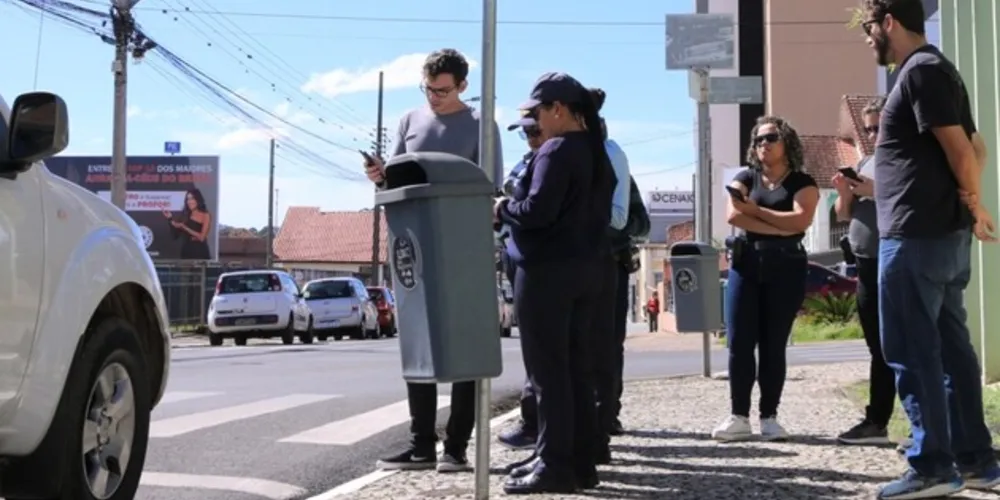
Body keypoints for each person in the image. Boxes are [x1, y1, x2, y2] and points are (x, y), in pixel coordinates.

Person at [859, 1, 999, 497]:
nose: (868, 36)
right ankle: (978, 460)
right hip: (939, 236)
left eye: (869, 26)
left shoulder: (919, 72)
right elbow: (975, 147)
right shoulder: (939, 71)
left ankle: (934, 467)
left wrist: (974, 202)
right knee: (954, 352)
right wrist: (972, 202)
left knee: (914, 353)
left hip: (915, 238)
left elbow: (962, 150)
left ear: (890, 23)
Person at [365, 48, 503, 474]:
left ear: (463, 86)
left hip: (463, 247)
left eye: (443, 90)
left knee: (466, 344)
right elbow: (399, 177)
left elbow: (490, 187)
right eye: (428, 88)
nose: (434, 98)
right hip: (415, 243)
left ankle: (457, 447)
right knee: (417, 342)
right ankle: (421, 445)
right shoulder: (409, 120)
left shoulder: (482, 125)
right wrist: (380, 175)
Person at [495, 72, 615, 494]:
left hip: (546, 273)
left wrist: (503, 207)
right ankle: (582, 463)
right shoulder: (598, 152)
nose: (537, 123)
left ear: (558, 109)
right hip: (588, 271)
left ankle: (553, 464)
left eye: (540, 112)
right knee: (578, 371)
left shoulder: (556, 150)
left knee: (548, 375)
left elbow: (536, 211)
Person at [711, 115, 819, 442]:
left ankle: (769, 417)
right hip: (747, 263)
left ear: (787, 142)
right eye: (758, 140)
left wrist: (755, 212)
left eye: (770, 138)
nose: (763, 145)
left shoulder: (802, 183)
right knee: (740, 342)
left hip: (785, 266)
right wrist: (780, 226)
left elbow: (802, 220)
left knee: (773, 344)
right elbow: (733, 213)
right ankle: (738, 416)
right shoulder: (746, 177)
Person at [832, 96, 895, 446]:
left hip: (894, 260)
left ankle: (892, 419)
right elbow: (843, 215)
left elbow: (912, 199)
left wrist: (877, 190)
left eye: (879, 126)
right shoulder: (867, 161)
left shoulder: (902, 161)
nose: (873, 134)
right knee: (877, 345)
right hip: (865, 263)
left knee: (897, 343)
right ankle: (877, 419)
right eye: (868, 128)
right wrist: (845, 191)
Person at [496, 116, 545, 451]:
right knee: (533, 348)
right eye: (525, 133)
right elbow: (503, 205)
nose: (530, 137)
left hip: (547, 262)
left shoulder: (558, 160)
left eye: (534, 130)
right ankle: (534, 427)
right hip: (517, 256)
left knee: (548, 352)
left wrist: (504, 209)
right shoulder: (525, 163)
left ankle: (542, 431)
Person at [162, 188, 211, 260]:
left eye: (192, 198)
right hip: (186, 251)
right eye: (188, 199)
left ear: (198, 200)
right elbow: (175, 235)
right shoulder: (184, 215)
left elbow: (201, 237)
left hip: (200, 252)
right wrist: (170, 218)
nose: (190, 201)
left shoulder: (205, 215)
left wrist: (184, 227)